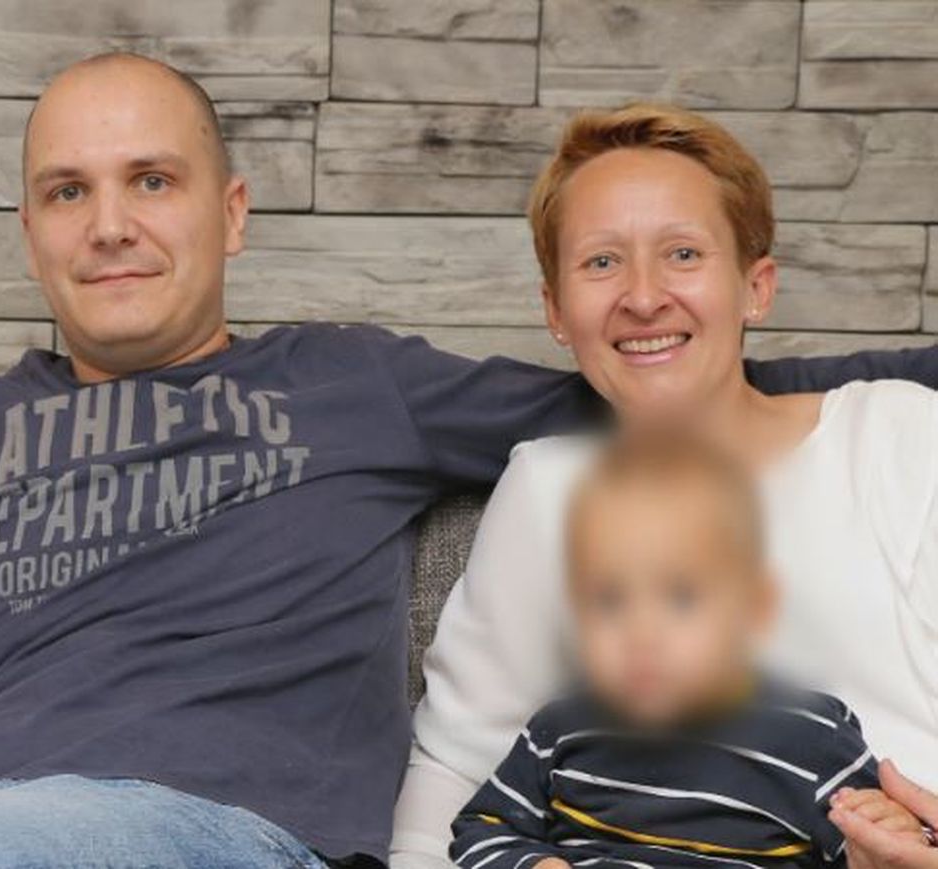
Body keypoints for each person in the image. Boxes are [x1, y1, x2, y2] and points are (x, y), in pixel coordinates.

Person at [0, 55, 929, 869]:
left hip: (234, 836)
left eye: (152, 179)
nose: (112, 223)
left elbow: (649, 363)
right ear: (30, 230)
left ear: (232, 212)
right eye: (69, 191)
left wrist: (844, 376)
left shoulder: (355, 383)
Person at [391, 104, 938, 867]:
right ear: (556, 310)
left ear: (756, 287)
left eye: (683, 253)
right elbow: (454, 771)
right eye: (601, 262)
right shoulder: (549, 490)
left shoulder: (899, 433)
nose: (643, 296)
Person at [450, 432, 922, 868]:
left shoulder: (810, 737)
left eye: (681, 597)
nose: (642, 632)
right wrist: (537, 865)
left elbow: (885, 850)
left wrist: (888, 837)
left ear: (752, 609)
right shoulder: (560, 729)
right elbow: (482, 829)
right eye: (609, 600)